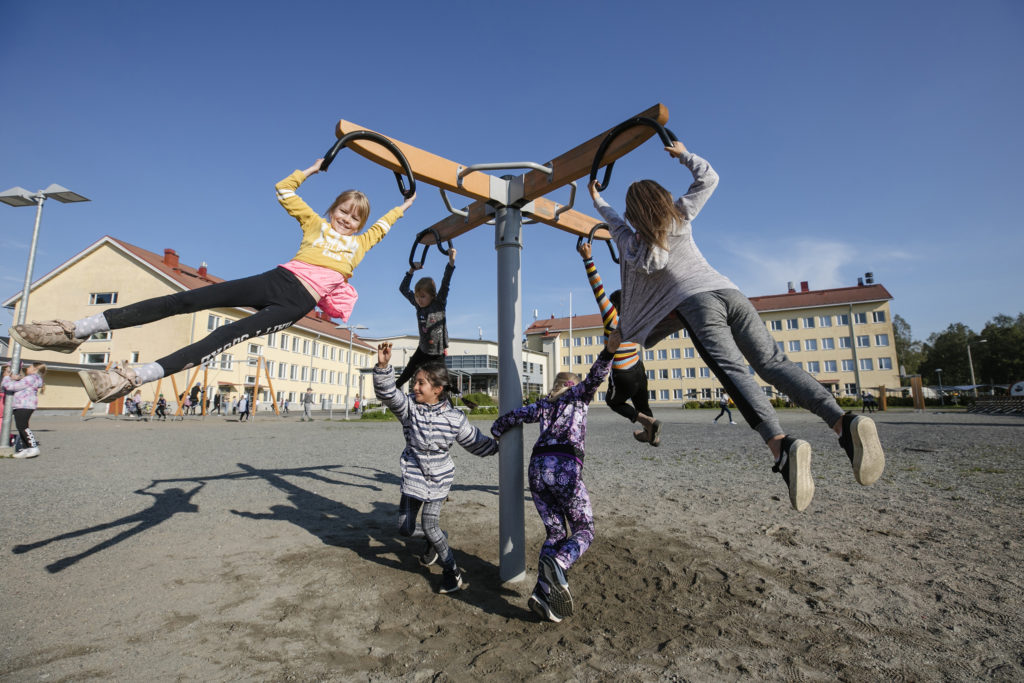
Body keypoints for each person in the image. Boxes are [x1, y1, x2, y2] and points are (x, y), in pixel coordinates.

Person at [589, 140, 885, 512]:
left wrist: (597, 199)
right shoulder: (679, 215)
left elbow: (613, 221)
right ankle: (843, 423)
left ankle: (782, 446)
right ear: (663, 199)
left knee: (732, 373)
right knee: (773, 363)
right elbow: (709, 178)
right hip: (731, 292)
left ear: (634, 215)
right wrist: (682, 154)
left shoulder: (632, 245)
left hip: (697, 304)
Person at [9, 158, 416, 403]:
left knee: (220, 337)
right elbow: (283, 189)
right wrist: (310, 170)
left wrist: (403, 205)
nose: (347, 219)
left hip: (296, 304)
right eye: (343, 211)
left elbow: (384, 225)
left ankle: (135, 376)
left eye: (354, 216)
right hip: (276, 279)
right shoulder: (314, 225)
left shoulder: (360, 245)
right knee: (187, 299)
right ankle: (80, 329)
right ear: (333, 210)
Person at [490, 330, 621, 622]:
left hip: (537, 470)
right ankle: (561, 564)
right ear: (573, 385)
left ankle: (541, 592)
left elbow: (512, 417)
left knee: (556, 532)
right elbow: (596, 376)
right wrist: (608, 352)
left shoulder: (545, 405)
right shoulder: (578, 396)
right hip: (564, 468)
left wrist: (497, 431)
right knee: (585, 528)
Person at [373, 341, 498, 595]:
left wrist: (502, 446)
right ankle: (438, 538)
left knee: (430, 525)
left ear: (438, 389)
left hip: (439, 478)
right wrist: (384, 367)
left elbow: (476, 443)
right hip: (413, 474)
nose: (415, 386)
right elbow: (388, 394)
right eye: (415, 382)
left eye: (421, 383)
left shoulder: (455, 419)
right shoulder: (409, 409)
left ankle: (451, 571)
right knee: (405, 528)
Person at [577, 242, 660, 445]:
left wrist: (587, 258)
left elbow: (597, 288)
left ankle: (645, 422)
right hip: (639, 368)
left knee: (613, 401)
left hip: (623, 373)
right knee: (642, 403)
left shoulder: (611, 316)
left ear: (613, 305)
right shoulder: (636, 316)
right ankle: (650, 433)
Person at [395, 248, 457, 390]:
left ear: (432, 296)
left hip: (437, 351)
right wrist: (411, 270)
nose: (419, 300)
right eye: (417, 296)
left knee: (444, 382)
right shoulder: (418, 305)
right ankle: (393, 390)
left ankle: (453, 398)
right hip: (423, 349)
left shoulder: (439, 303)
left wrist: (451, 263)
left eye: (423, 296)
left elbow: (445, 283)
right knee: (408, 370)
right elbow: (403, 289)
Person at [2, 362, 46, 459]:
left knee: (23, 427)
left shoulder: (30, 378)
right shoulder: (33, 378)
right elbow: (20, 384)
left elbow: (11, 387)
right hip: (23, 405)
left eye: (30, 367)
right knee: (20, 426)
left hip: (24, 405)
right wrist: (16, 378)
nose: (27, 368)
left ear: (35, 369)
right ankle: (26, 448)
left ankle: (33, 447)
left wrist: (6, 377)